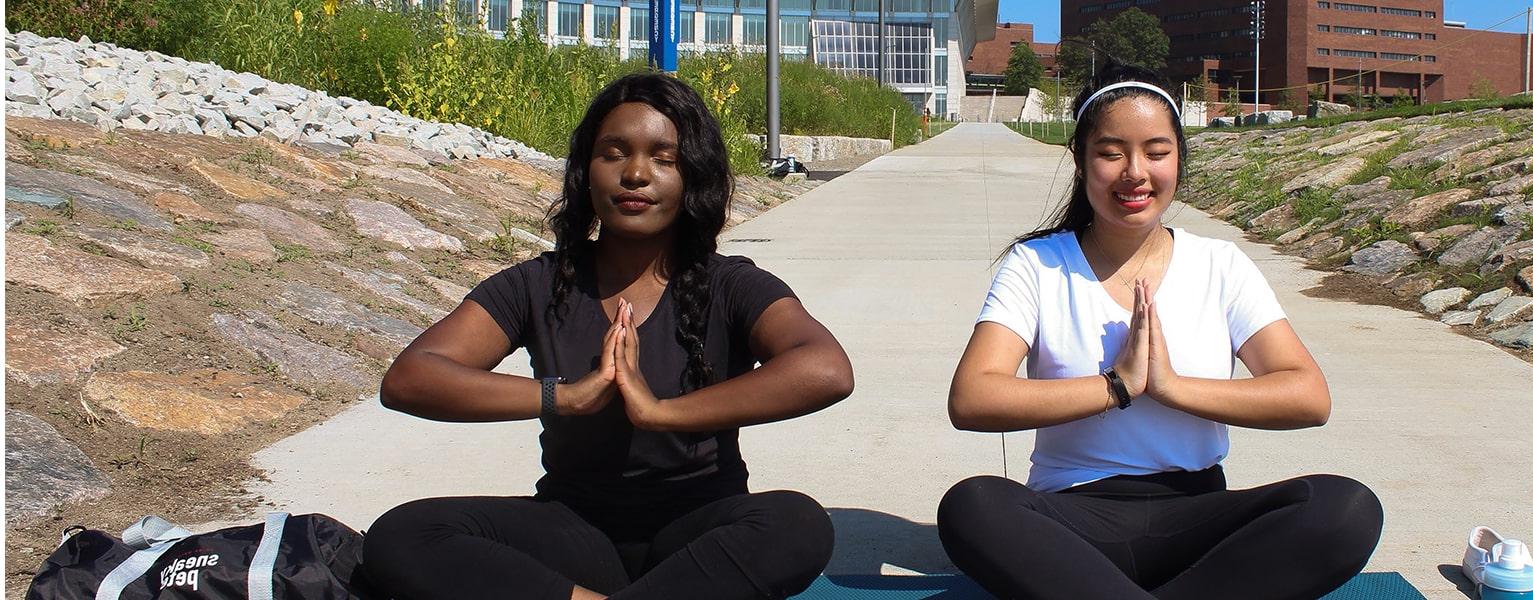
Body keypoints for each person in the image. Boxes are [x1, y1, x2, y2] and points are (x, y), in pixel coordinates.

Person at [361, 73, 854, 600]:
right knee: (404, 534)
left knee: (798, 523)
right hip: (575, 533)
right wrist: (565, 396)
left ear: (694, 176)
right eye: (613, 153)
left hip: (699, 538)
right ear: (585, 172)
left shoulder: (729, 284)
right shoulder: (537, 284)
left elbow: (825, 370)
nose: (636, 174)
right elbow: (411, 378)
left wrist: (658, 411)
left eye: (664, 159)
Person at [936, 62, 1383, 600]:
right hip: (1072, 521)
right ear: (1080, 161)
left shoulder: (1220, 263)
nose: (1134, 171)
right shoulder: (1038, 264)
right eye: (1110, 152)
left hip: (1198, 518)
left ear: (1178, 158)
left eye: (1156, 151)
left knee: (1345, 508)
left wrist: (1171, 387)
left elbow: (1308, 397)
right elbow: (973, 398)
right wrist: (1117, 386)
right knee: (974, 505)